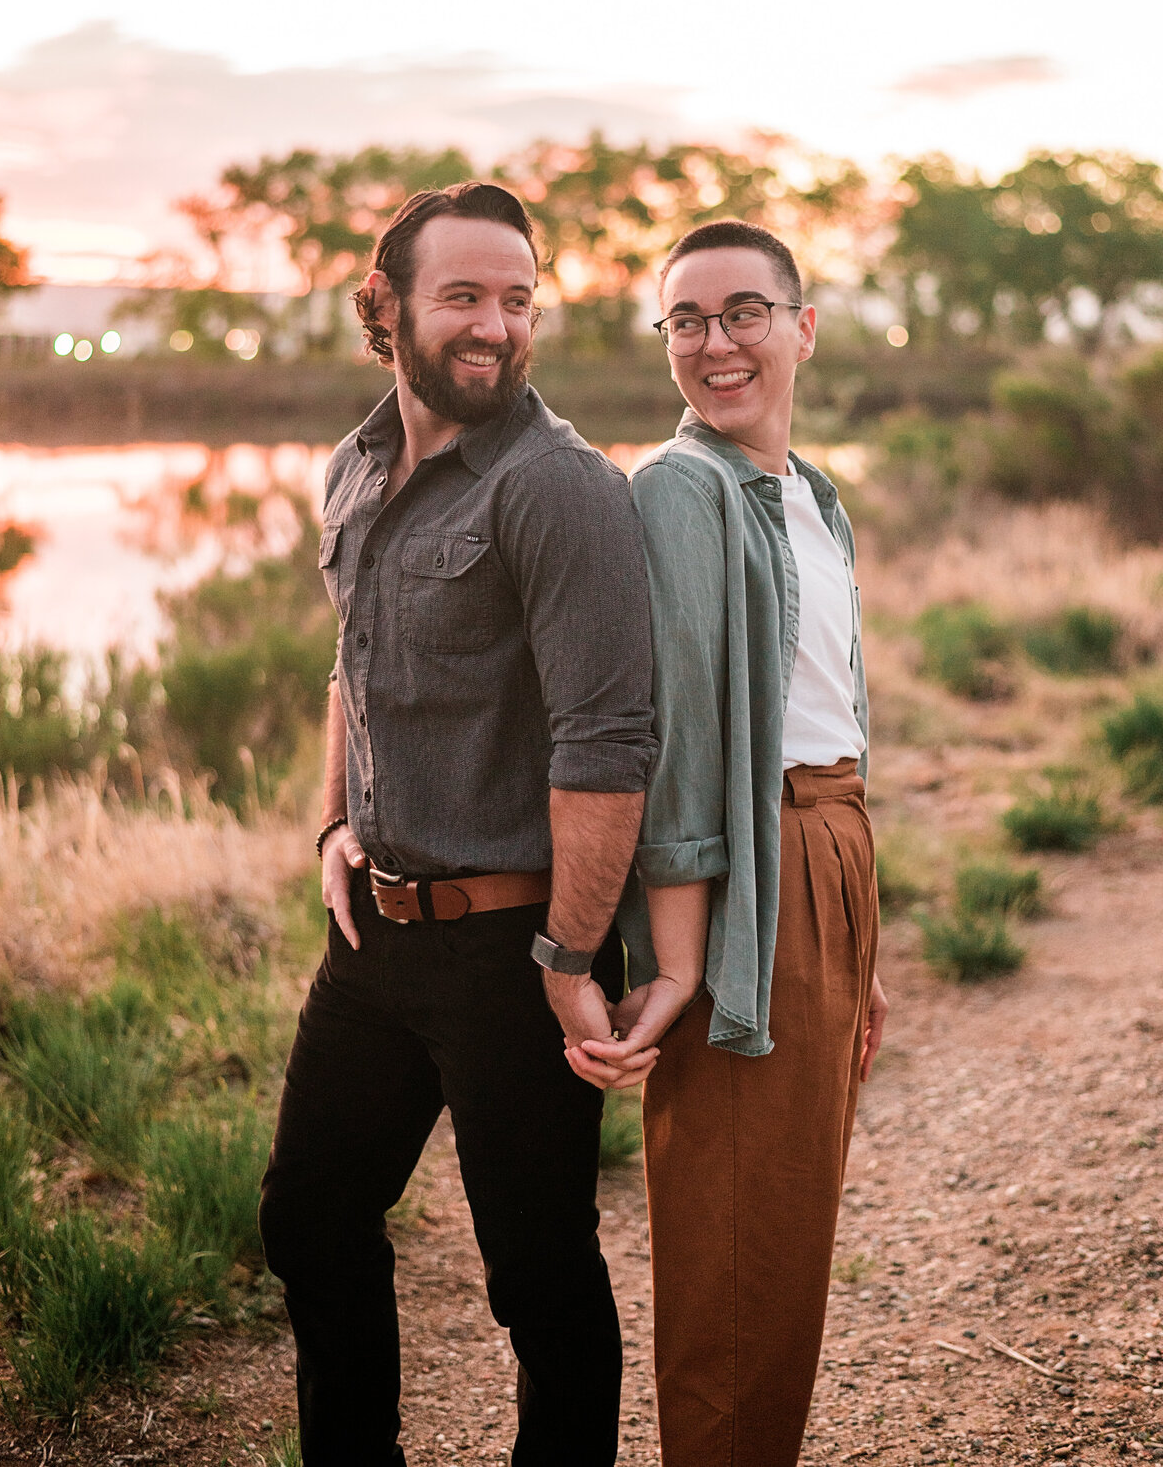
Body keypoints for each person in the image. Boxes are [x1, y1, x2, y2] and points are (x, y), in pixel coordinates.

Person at [258, 181, 660, 1467]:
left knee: (537, 1273)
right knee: (310, 1216)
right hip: (373, 942)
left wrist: (566, 960)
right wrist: (333, 828)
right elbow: (352, 663)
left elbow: (608, 748)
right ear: (382, 307)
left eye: (518, 298)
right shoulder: (355, 464)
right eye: (465, 296)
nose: (497, 324)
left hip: (515, 953)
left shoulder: (561, 489)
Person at [577, 219, 889, 1467]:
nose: (717, 344)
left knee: (789, 1227)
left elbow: (836, 716)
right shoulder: (680, 491)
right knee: (735, 1243)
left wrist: (866, 942)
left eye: (744, 311)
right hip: (754, 876)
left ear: (803, 327)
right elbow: (686, 748)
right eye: (688, 321)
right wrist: (687, 955)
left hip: (832, 847)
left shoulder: (815, 499)